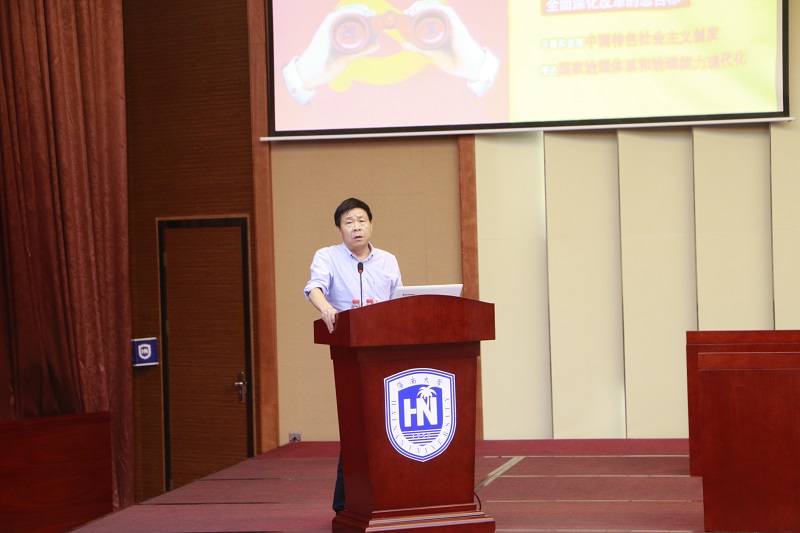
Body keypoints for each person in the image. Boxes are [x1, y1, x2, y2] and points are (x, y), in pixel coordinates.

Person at [303, 197, 403, 514]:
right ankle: (347, 503)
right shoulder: (327, 256)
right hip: (350, 351)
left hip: (385, 352)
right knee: (356, 424)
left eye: (361, 220)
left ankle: (392, 495)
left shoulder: (388, 260)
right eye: (349, 222)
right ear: (339, 229)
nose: (356, 227)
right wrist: (326, 308)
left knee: (385, 424)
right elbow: (314, 288)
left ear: (371, 224)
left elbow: (400, 302)